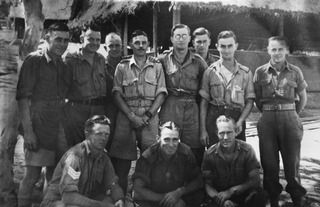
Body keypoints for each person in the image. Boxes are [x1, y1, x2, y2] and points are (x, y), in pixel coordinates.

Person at [16, 22, 70, 207]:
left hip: (55, 125)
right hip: (37, 125)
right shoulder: (34, 61)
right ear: (47, 38)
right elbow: (23, 99)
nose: (62, 44)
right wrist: (29, 132)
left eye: (66, 41)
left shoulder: (61, 65)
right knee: (32, 175)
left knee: (53, 174)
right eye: (58, 40)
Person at [109, 30, 167, 195]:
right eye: (137, 43)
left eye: (144, 42)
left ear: (148, 44)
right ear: (130, 45)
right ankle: (121, 197)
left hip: (150, 116)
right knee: (122, 161)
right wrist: (131, 116)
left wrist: (148, 116)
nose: (141, 46)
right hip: (126, 116)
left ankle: (145, 196)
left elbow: (161, 93)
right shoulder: (122, 66)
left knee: (151, 158)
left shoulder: (156, 66)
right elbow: (116, 93)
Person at [253, 36, 308, 207]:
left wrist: (292, 114)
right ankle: (274, 200)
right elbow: (257, 98)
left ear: (286, 51)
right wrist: (269, 113)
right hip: (267, 120)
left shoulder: (295, 71)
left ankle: (297, 198)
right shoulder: (260, 72)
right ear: (268, 50)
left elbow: (303, 97)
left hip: (290, 119)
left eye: (280, 49)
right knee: (269, 164)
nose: (277, 53)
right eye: (273, 49)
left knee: (292, 164)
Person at [40, 115, 124, 207]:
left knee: (113, 201)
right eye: (99, 134)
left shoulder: (103, 157)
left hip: (82, 200)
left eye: (106, 134)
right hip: (57, 202)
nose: (103, 138)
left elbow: (112, 184)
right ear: (87, 134)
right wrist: (101, 205)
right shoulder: (75, 157)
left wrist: (119, 199)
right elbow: (68, 197)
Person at [159, 24, 207, 165]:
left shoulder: (198, 62)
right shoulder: (162, 60)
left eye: (184, 36)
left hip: (192, 107)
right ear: (172, 39)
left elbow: (205, 89)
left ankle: (194, 181)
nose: (181, 39)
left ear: (189, 39)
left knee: (194, 147)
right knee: (168, 142)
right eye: (177, 36)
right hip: (170, 104)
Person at [199, 30, 255, 147]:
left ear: (236, 46)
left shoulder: (245, 73)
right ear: (217, 47)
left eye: (230, 46)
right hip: (214, 118)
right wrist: (203, 130)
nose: (226, 50)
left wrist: (240, 121)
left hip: (236, 119)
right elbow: (204, 103)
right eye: (223, 46)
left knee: (238, 157)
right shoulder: (209, 72)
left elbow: (249, 102)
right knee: (215, 155)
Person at [132, 121, 204, 207]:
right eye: (166, 139)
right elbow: (138, 190)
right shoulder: (148, 156)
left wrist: (179, 192)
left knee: (199, 195)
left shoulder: (186, 153)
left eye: (175, 140)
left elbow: (198, 180)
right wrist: (166, 198)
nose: (171, 144)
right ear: (158, 139)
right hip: (153, 198)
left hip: (178, 196)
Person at [202, 115, 266, 207]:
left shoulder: (247, 150)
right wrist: (221, 200)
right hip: (221, 195)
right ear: (216, 133)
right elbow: (208, 185)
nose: (225, 137)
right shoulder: (209, 154)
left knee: (259, 196)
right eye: (221, 133)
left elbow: (255, 180)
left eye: (229, 132)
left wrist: (232, 191)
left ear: (236, 132)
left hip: (243, 193)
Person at [63, 24, 110, 147]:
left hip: (98, 111)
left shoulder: (101, 59)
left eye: (98, 40)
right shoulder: (70, 60)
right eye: (91, 39)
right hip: (77, 111)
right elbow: (62, 89)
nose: (95, 43)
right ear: (81, 39)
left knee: (96, 147)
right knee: (77, 149)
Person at [104, 32, 122, 149]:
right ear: (105, 48)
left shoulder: (128, 63)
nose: (114, 49)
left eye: (117, 45)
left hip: (126, 109)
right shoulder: (100, 64)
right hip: (107, 107)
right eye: (111, 46)